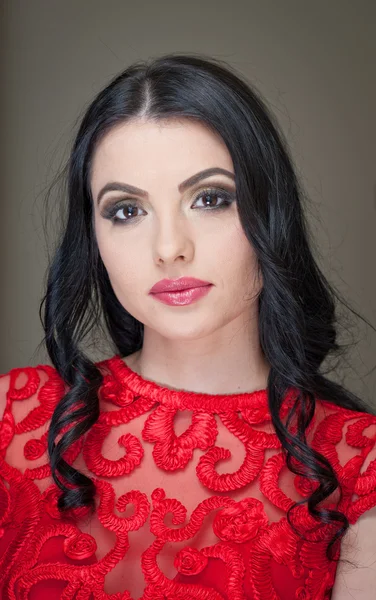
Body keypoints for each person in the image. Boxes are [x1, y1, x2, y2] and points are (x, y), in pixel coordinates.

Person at [0, 53, 375, 600]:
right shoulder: (14, 423)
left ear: (270, 214)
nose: (170, 248)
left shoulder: (359, 469)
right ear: (94, 239)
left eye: (211, 199)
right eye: (126, 210)